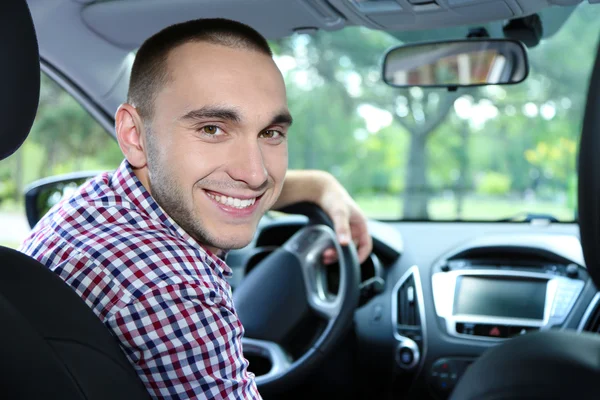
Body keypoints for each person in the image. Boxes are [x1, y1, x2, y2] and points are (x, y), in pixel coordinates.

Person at [19, 18, 372, 399]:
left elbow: (214, 183)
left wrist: (319, 186)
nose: (254, 174)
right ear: (133, 135)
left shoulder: (97, 203)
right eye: (211, 129)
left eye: (270, 133)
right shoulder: (169, 290)